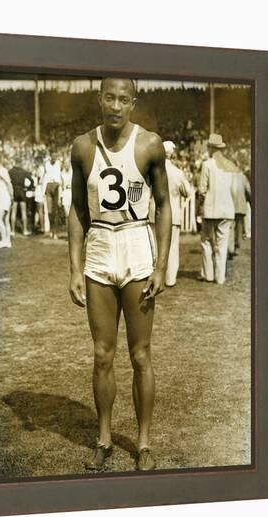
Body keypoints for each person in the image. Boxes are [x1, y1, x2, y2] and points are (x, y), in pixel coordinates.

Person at [68, 77, 171, 471]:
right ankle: (105, 439)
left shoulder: (148, 144)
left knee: (141, 354)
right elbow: (78, 209)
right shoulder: (81, 146)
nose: (115, 105)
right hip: (99, 248)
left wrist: (161, 265)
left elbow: (163, 205)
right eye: (108, 97)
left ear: (133, 103)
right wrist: (74, 268)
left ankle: (143, 443)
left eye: (123, 99)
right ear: (99, 99)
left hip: (136, 246)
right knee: (101, 355)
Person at [199, 134, 237, 284]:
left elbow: (202, 189)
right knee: (222, 244)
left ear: (211, 148)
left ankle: (208, 274)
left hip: (210, 209)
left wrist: (201, 202)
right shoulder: (230, 165)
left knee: (207, 242)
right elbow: (233, 189)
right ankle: (220, 277)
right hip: (226, 208)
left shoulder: (207, 164)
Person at [162, 141, 191, 286]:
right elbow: (188, 191)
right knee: (172, 247)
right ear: (171, 154)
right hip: (173, 213)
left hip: (156, 213)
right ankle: (170, 279)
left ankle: (156, 277)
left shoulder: (153, 171)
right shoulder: (177, 172)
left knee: (155, 246)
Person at [9, 160, 34, 236]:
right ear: (20, 164)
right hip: (22, 192)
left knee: (13, 212)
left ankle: (12, 230)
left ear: (14, 163)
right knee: (23, 212)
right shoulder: (23, 171)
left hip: (14, 191)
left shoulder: (11, 171)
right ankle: (25, 230)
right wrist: (28, 188)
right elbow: (31, 180)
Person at [0, 159, 14, 249]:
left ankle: (4, 240)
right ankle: (7, 241)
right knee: (6, 220)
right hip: (4, 198)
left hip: (5, 198)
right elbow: (1, 187)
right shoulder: (1, 171)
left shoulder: (2, 171)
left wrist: (11, 196)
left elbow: (9, 184)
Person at [43, 151, 63, 239]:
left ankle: (55, 232)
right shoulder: (46, 164)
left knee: (56, 210)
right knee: (49, 211)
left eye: (56, 156)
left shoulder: (59, 163)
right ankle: (51, 230)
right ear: (50, 156)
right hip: (49, 186)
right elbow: (44, 175)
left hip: (56, 186)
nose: (54, 158)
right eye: (52, 156)